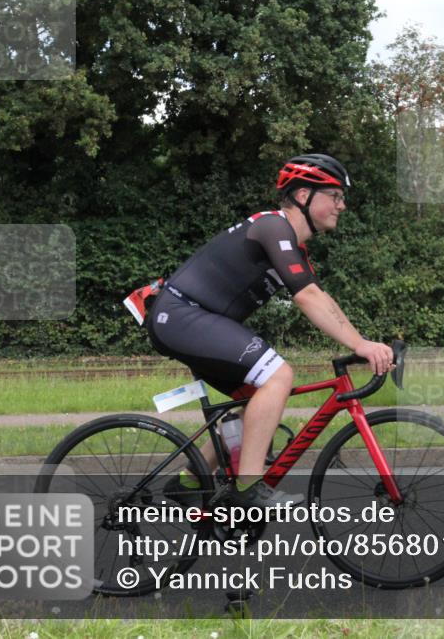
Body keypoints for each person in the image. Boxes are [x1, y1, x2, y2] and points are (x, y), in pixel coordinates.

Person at [144, 154, 394, 509]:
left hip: (191, 320)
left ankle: (190, 481)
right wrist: (362, 345)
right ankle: (248, 488)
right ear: (304, 195)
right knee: (278, 375)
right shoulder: (273, 227)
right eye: (335, 196)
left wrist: (363, 343)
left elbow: (321, 298)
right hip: (182, 315)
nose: (342, 205)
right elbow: (307, 298)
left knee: (261, 399)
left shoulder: (292, 245)